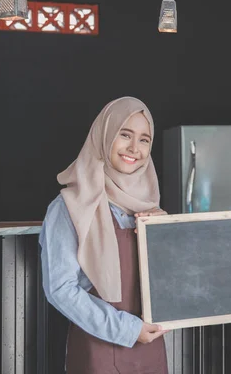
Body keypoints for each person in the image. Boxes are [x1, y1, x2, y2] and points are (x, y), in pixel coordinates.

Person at [40, 96, 168, 374]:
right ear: (104, 136)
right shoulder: (69, 206)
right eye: (125, 135)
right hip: (97, 352)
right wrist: (128, 329)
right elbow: (60, 290)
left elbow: (174, 286)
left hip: (150, 350)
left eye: (145, 140)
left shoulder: (152, 208)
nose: (134, 148)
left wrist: (167, 237)